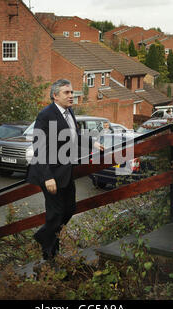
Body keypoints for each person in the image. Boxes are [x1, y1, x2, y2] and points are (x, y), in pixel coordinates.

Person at [27, 79, 103, 263]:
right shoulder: (45, 115)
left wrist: (92, 143)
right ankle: (49, 255)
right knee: (55, 213)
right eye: (67, 93)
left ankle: (44, 237)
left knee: (69, 209)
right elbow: (39, 147)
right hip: (50, 173)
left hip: (66, 170)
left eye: (72, 92)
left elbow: (74, 136)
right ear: (55, 95)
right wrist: (47, 177)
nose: (71, 96)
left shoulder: (69, 113)